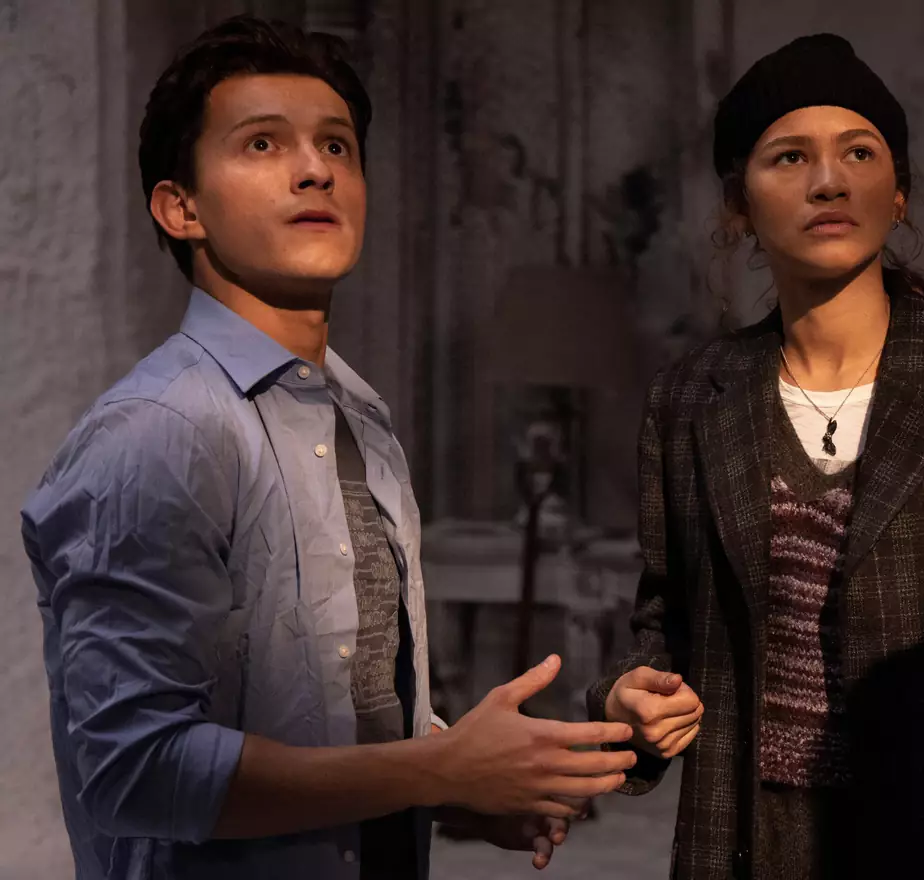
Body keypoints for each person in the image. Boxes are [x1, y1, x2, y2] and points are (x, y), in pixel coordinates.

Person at [22, 16, 635, 880]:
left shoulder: (359, 415)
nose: (316, 169)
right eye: (263, 143)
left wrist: (470, 787)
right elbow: (135, 769)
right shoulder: (160, 432)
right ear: (181, 207)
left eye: (337, 145)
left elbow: (353, 710)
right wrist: (440, 769)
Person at [588, 33, 924, 880]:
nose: (828, 181)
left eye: (858, 153)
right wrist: (628, 697)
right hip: (747, 842)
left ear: (898, 193)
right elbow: (671, 624)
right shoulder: (691, 397)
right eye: (790, 157)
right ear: (739, 205)